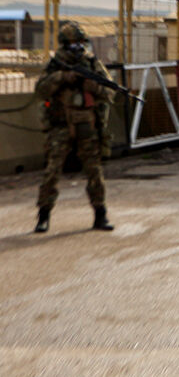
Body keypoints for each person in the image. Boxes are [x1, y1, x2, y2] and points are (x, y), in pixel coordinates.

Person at [33, 21, 117, 233]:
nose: (78, 48)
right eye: (73, 44)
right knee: (52, 170)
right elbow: (40, 90)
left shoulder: (91, 64)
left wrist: (93, 87)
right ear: (64, 45)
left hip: (86, 124)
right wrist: (63, 77)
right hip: (60, 125)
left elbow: (110, 92)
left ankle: (100, 214)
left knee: (94, 171)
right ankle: (43, 215)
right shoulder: (55, 65)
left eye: (81, 43)